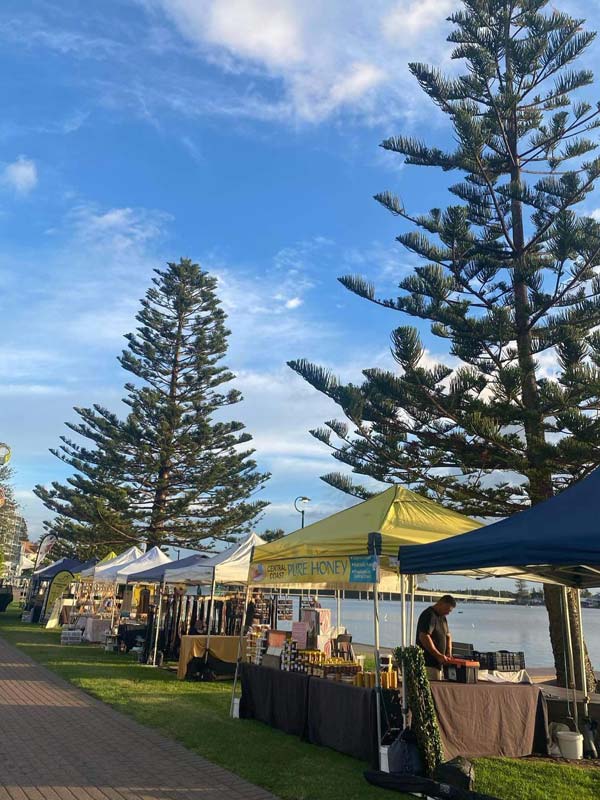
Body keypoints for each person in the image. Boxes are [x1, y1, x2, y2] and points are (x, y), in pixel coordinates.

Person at [416, 595, 456, 680]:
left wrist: (448, 652)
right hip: (428, 664)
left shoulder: (443, 618)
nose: (448, 613)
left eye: (450, 611)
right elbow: (424, 636)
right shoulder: (429, 615)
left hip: (439, 665)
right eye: (447, 609)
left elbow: (448, 635)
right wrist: (438, 655)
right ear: (441, 603)